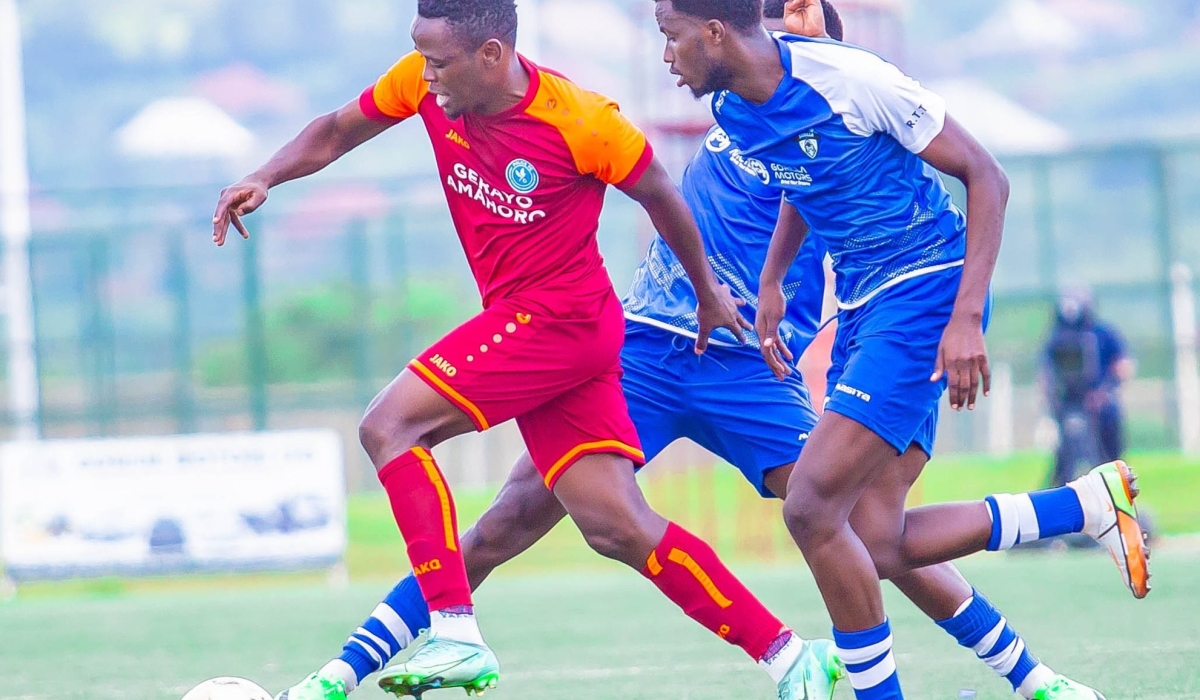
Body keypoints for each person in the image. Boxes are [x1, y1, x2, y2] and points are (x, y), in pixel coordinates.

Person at [274, 3, 1113, 700]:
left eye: (798, 9)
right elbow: (718, 195)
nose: (781, 19)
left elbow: (942, 184)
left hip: (750, 367)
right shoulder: (738, 106)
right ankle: (347, 670)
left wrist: (793, 302)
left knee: (854, 527)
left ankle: (1032, 674)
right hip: (646, 344)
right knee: (517, 516)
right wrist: (769, 277)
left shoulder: (853, 115)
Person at [214, 1, 838, 699]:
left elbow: (660, 192)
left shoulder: (582, 120)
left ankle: (455, 630)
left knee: (389, 425)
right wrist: (265, 174)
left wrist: (708, 292)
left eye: (440, 62)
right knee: (617, 526)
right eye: (422, 58)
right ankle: (789, 655)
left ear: (490, 55)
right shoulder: (423, 83)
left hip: (558, 321)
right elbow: (335, 130)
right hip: (560, 331)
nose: (427, 75)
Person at [652, 1, 1151, 699]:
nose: (666, 56)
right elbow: (805, 179)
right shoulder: (736, 110)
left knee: (811, 509)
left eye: (671, 38)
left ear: (714, 34)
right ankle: (1081, 507)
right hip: (863, 305)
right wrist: (770, 281)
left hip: (924, 290)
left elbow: (987, 176)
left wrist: (967, 318)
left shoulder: (853, 79)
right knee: (875, 540)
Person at [1043, 288, 1134, 485]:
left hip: (1103, 406)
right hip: (1069, 405)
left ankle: (1115, 489)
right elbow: (1046, 373)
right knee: (1067, 455)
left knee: (1110, 458)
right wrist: (1051, 399)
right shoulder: (1057, 337)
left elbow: (1123, 365)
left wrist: (1105, 390)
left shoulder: (1103, 333)